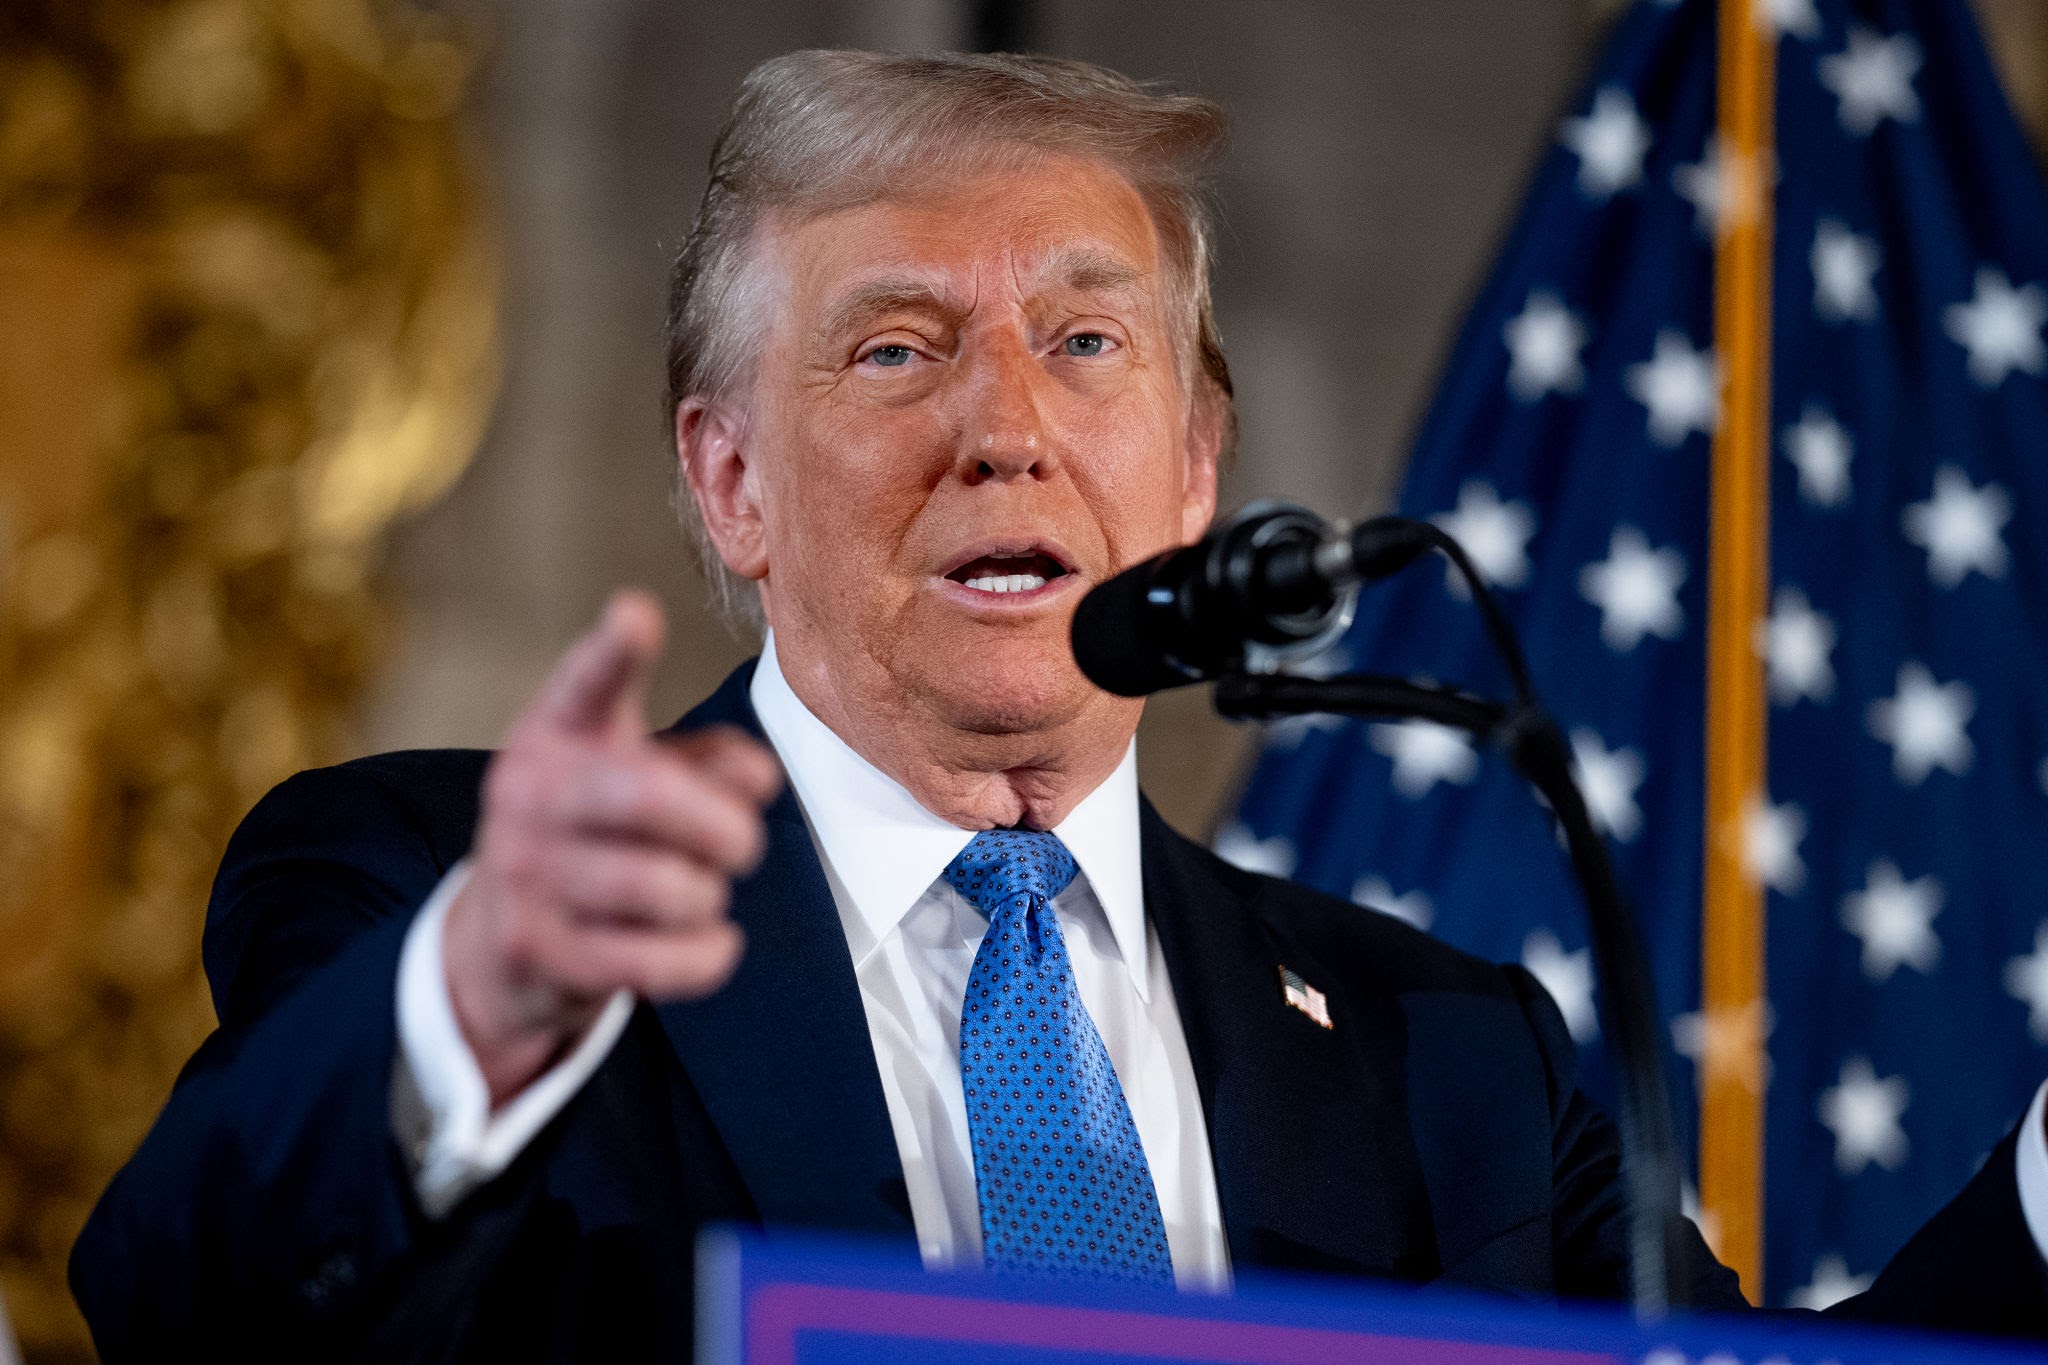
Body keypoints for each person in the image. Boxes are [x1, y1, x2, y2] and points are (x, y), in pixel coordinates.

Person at [70, 49, 2048, 1361]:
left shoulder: (1459, 1062)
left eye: (1083, 338)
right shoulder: (438, 889)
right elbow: (176, 1298)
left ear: (1195, 468)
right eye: (895, 343)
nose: (1002, 425)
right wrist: (470, 1006)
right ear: (727, 480)